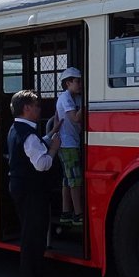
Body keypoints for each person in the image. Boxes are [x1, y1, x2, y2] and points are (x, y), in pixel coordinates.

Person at [7, 89, 62, 277]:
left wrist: (50, 135)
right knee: (34, 241)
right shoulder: (29, 134)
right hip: (32, 191)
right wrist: (54, 149)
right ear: (27, 108)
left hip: (21, 188)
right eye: (37, 105)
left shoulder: (17, 129)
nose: (40, 108)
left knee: (31, 238)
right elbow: (41, 164)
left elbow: (34, 147)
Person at [56, 66, 85, 223]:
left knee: (67, 179)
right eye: (77, 81)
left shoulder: (74, 97)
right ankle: (78, 214)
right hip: (68, 144)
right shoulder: (66, 98)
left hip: (69, 141)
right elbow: (75, 118)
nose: (80, 84)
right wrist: (86, 102)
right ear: (68, 83)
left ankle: (66, 211)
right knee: (75, 179)